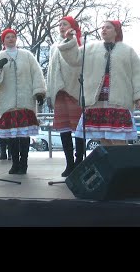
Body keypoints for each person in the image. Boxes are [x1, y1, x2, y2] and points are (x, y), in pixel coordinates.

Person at [59, 20, 140, 146]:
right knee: (103, 138)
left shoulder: (127, 51)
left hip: (118, 101)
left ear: (116, 31)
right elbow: (74, 59)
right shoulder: (91, 48)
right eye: (102, 27)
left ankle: (120, 165)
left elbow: (137, 73)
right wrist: (71, 40)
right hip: (97, 101)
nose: (104, 30)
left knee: (118, 139)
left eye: (108, 27)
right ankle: (108, 164)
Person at [0, 28, 46, 175]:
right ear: (3, 41)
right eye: (7, 37)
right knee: (12, 136)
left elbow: (37, 73)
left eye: (13, 37)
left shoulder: (27, 56)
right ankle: (15, 163)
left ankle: (23, 164)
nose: (11, 39)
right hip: (7, 103)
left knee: (23, 136)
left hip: (26, 102)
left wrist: (39, 92)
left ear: (16, 39)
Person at [46, 16, 86, 177]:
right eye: (60, 25)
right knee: (64, 129)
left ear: (73, 27)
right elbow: (50, 71)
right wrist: (50, 93)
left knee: (79, 129)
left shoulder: (81, 44)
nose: (62, 27)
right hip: (59, 92)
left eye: (65, 24)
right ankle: (69, 162)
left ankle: (79, 161)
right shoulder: (54, 47)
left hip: (75, 91)